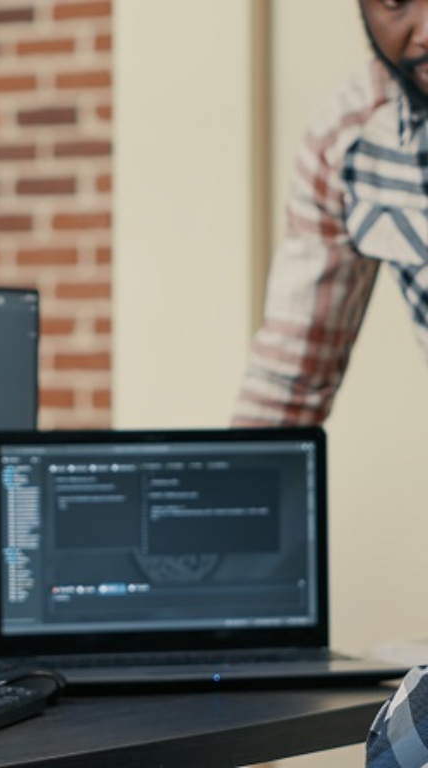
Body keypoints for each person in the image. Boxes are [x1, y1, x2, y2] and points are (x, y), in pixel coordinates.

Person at [233, 2, 428, 765]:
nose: (421, 29)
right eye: (393, 0)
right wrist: (216, 571)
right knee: (399, 745)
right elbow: (288, 384)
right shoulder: (351, 136)